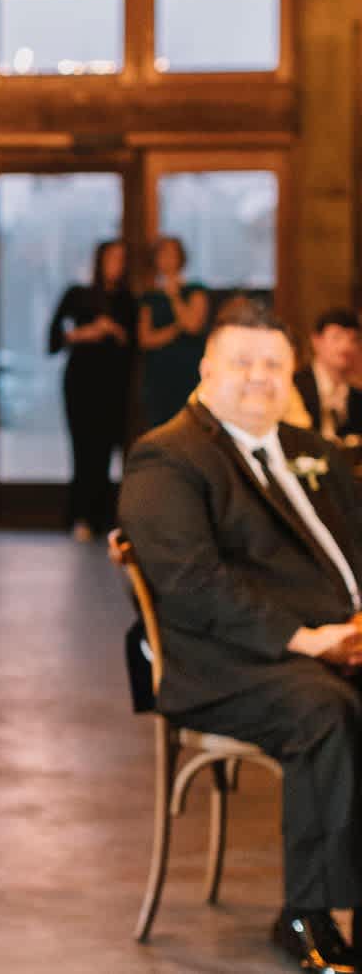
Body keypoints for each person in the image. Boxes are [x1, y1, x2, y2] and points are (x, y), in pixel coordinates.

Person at [119, 296, 362, 974]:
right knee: (325, 710)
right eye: (243, 361)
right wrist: (304, 639)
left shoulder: (311, 452)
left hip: (334, 643)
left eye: (274, 364)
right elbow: (192, 584)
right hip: (223, 662)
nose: (260, 376)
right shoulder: (166, 457)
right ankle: (307, 915)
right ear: (206, 368)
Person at [47, 239, 136, 540]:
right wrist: (84, 334)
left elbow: (136, 346)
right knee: (83, 448)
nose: (117, 265)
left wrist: (116, 331)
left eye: (122, 259)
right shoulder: (77, 295)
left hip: (113, 385)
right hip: (81, 383)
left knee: (108, 450)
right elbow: (54, 339)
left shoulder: (127, 300)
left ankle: (104, 517)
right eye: (112, 258)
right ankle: (81, 515)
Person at [137, 234, 209, 432]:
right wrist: (176, 328)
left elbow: (193, 325)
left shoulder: (195, 290)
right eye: (162, 254)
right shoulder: (150, 296)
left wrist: (174, 296)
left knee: (191, 427)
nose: (167, 259)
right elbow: (145, 339)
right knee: (160, 428)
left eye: (171, 254)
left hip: (188, 370)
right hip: (159, 373)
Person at [291, 308, 362, 444]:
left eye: (353, 340)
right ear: (316, 341)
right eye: (337, 337)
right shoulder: (295, 387)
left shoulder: (357, 396)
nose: (346, 346)